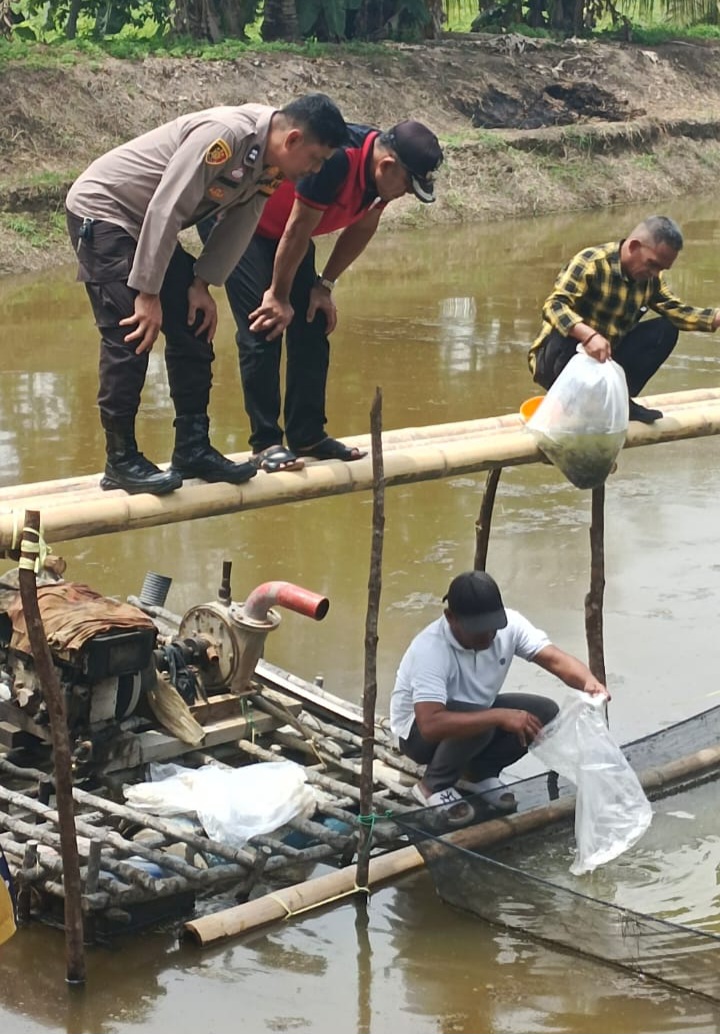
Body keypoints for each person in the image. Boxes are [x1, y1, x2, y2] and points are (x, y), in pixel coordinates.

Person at [65, 94, 348, 495]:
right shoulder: (227, 136)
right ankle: (121, 459)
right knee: (132, 332)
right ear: (293, 140)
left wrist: (201, 283)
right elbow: (167, 207)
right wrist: (147, 292)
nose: (315, 169)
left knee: (195, 322)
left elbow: (242, 219)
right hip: (106, 212)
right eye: (316, 159)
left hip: (147, 223)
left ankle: (192, 447)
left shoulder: (270, 163)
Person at [204, 119, 443, 472]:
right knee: (264, 324)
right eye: (407, 186)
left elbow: (362, 226)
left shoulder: (382, 178)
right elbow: (299, 228)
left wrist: (324, 286)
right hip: (241, 219)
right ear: (387, 166)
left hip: (287, 231)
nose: (405, 193)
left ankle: (307, 435)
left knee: (312, 322)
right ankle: (265, 443)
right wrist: (278, 296)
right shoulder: (337, 160)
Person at [390, 570, 609, 824]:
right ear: (451, 618)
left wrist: (588, 681)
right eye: (478, 630)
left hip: (475, 716)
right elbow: (430, 724)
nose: (489, 636)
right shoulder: (431, 649)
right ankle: (433, 785)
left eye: (494, 627)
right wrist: (497, 716)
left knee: (544, 712)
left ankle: (479, 773)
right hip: (417, 736)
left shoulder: (509, 627)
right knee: (483, 722)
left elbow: (553, 659)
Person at [528, 215, 720, 424]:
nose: (655, 273)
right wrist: (588, 336)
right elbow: (554, 305)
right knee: (568, 330)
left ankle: (619, 400)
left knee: (665, 329)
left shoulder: (650, 279)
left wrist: (716, 317)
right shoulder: (592, 263)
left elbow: (676, 310)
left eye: (661, 269)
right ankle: (569, 402)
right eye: (652, 264)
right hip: (558, 360)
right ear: (634, 246)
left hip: (603, 360)